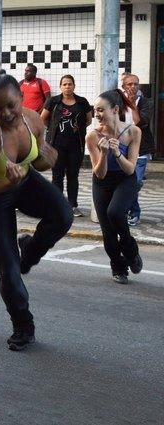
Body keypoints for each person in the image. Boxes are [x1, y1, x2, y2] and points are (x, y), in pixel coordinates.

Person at [0, 70, 73, 351]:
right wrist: (8, 182)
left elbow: (37, 162)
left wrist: (48, 160)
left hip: (24, 180)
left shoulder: (34, 120)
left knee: (63, 215)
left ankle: (31, 250)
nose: (5, 113)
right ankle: (23, 326)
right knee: (9, 269)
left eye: (11, 105)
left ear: (22, 98)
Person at [85, 89, 144, 285]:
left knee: (115, 212)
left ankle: (131, 251)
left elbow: (130, 169)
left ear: (115, 109)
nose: (97, 114)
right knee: (108, 232)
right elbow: (99, 173)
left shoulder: (133, 132)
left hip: (125, 179)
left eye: (101, 110)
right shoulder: (93, 136)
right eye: (95, 110)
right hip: (102, 182)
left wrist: (117, 153)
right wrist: (104, 154)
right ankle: (118, 268)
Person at [40, 75, 92, 217]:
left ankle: (72, 205)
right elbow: (43, 118)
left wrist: (77, 129)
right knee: (57, 176)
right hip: (56, 146)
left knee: (73, 176)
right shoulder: (53, 101)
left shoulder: (82, 102)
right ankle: (57, 205)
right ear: (61, 86)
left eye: (70, 84)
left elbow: (88, 120)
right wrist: (52, 129)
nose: (67, 86)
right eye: (64, 84)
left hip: (76, 146)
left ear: (74, 86)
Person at [120, 73, 155, 227]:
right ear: (123, 86)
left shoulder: (147, 102)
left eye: (135, 84)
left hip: (141, 149)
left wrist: (133, 104)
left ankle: (130, 210)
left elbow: (140, 122)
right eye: (129, 84)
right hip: (123, 148)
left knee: (137, 181)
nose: (133, 87)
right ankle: (133, 212)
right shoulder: (118, 102)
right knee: (126, 182)